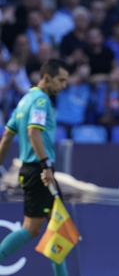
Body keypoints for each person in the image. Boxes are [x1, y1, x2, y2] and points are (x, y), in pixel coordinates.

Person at [0, 59, 70, 276]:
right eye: (60, 80)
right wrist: (46, 166)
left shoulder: (24, 101)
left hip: (32, 169)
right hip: (40, 170)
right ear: (47, 77)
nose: (63, 85)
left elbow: (6, 138)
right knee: (33, 228)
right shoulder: (41, 101)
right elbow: (33, 132)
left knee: (57, 227)